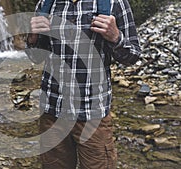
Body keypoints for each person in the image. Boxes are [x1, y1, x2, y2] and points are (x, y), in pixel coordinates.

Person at [25, 0, 141, 168]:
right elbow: (35, 57)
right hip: (52, 112)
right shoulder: (46, 3)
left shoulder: (114, 3)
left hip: (93, 115)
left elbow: (133, 56)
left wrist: (115, 37)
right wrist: (32, 37)